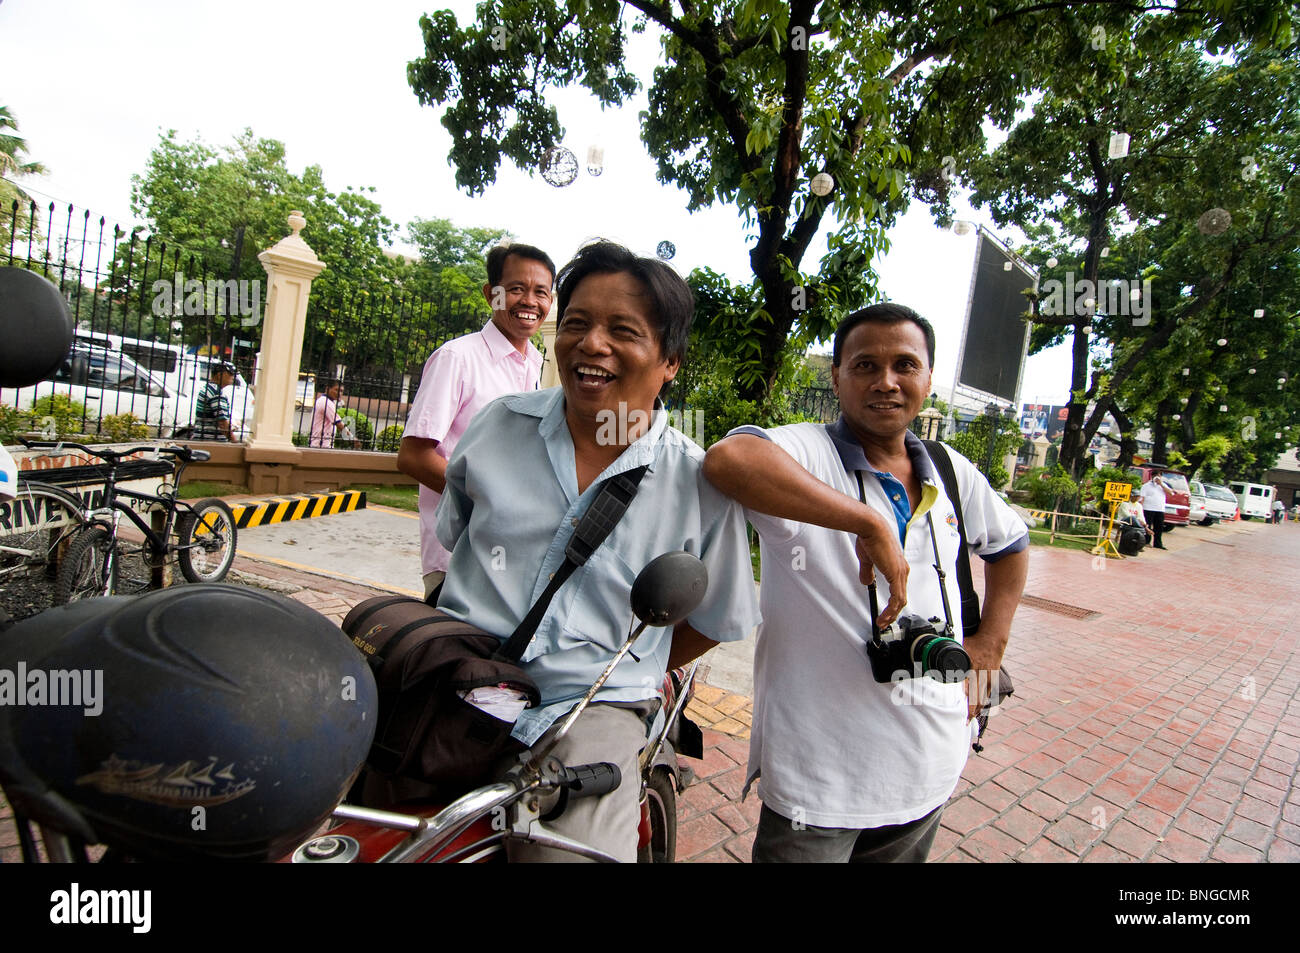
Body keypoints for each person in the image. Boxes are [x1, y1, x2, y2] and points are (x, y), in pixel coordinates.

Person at [433, 240, 760, 862]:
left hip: (592, 707)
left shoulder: (698, 484)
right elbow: (458, 535)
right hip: (458, 676)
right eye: (577, 323)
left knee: (562, 855)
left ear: (671, 362)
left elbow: (714, 620)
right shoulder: (499, 425)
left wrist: (634, 664)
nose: (590, 344)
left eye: (622, 330)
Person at [702, 302, 1030, 863]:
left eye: (906, 365)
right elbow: (730, 459)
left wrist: (990, 646)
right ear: (837, 376)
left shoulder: (950, 469)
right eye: (864, 366)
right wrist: (866, 521)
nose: (886, 382)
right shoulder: (807, 451)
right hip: (819, 782)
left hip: (930, 763)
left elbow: (1011, 544)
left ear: (929, 376)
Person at [398, 243, 554, 601]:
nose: (529, 301)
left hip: (507, 558)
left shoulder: (533, 362)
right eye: (516, 289)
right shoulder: (457, 358)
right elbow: (412, 456)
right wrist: (490, 502)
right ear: (491, 294)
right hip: (457, 556)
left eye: (540, 292)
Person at [193, 362, 237, 441]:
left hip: (203, 439)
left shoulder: (209, 388)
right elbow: (222, 423)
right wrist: (234, 441)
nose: (233, 376)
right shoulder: (216, 393)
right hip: (211, 441)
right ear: (219, 375)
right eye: (230, 374)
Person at [308, 379, 349, 448]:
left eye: (341, 391)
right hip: (321, 445)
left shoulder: (324, 400)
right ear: (327, 389)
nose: (339, 393)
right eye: (336, 390)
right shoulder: (326, 402)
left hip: (320, 443)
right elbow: (338, 423)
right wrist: (353, 438)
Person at [1139, 473, 1170, 548]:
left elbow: (1170, 493)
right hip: (1148, 508)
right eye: (1155, 476)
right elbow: (1142, 497)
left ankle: (1158, 543)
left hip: (1159, 509)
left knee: (1159, 527)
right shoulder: (1146, 486)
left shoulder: (1163, 485)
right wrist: (1140, 508)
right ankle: (1146, 541)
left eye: (1159, 476)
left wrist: (1161, 484)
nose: (1157, 478)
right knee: (1147, 526)